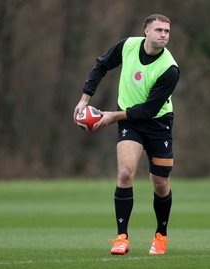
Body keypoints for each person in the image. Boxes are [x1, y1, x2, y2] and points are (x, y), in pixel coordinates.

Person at [73, 14, 179, 255]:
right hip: (130, 124)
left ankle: (160, 236)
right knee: (124, 173)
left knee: (161, 185)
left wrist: (112, 116)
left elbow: (148, 110)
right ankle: (122, 238)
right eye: (159, 30)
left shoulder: (170, 69)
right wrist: (84, 99)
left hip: (158, 124)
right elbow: (101, 65)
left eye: (167, 31)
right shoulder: (127, 46)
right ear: (146, 31)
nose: (164, 35)